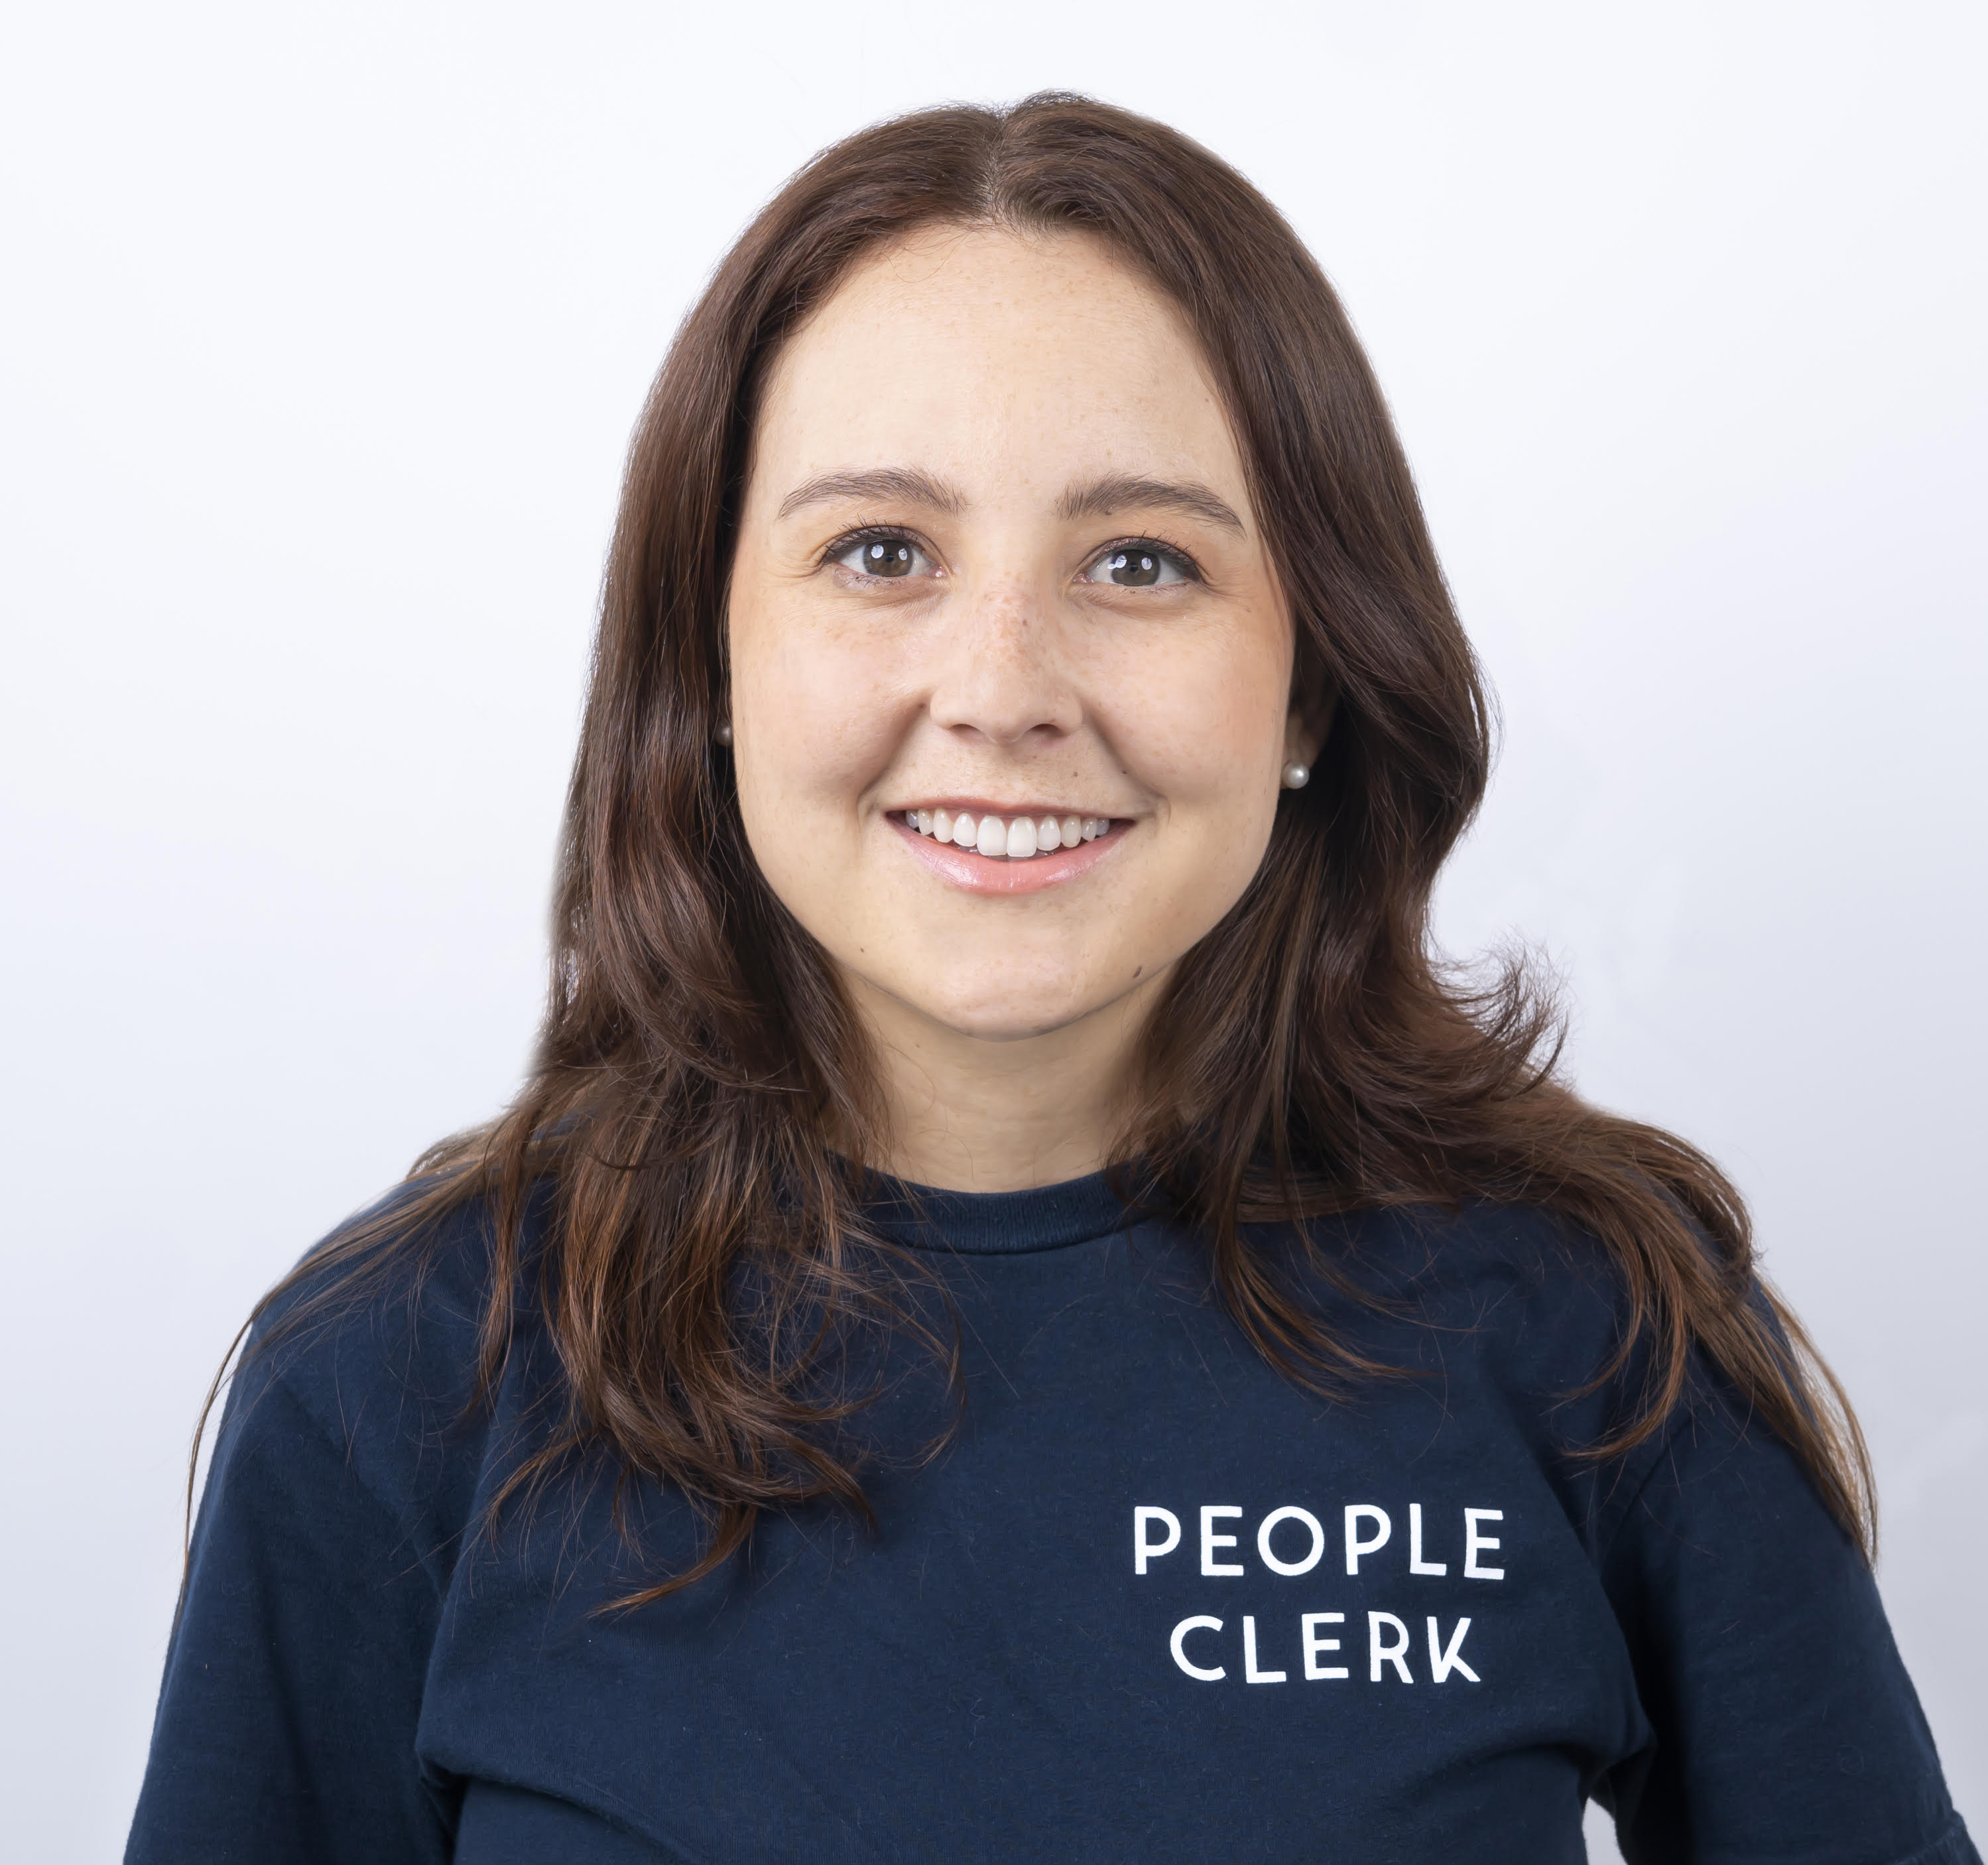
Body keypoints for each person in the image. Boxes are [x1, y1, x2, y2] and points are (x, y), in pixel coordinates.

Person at [126, 95, 1974, 1864]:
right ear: (717, 656)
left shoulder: (1596, 1323)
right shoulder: (394, 1379)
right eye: (879, 553)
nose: (1004, 685)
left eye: (1141, 560)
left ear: (1316, 676)